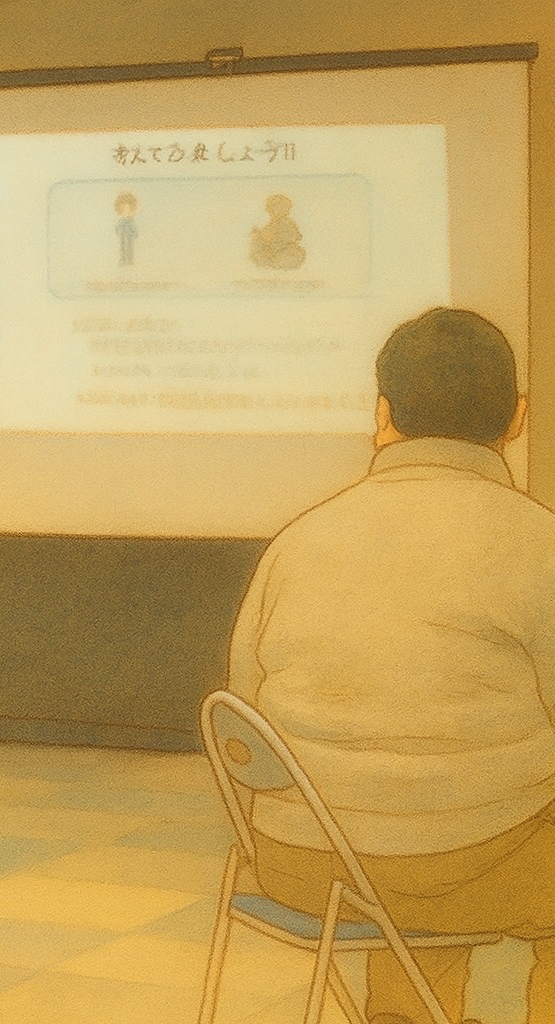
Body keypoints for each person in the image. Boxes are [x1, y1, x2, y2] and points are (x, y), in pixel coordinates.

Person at [227, 307, 555, 1024]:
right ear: (518, 417)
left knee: (437, 828)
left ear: (383, 416)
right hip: (461, 864)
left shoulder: (299, 541)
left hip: (299, 862)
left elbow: (243, 712)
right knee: (473, 830)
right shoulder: (539, 542)